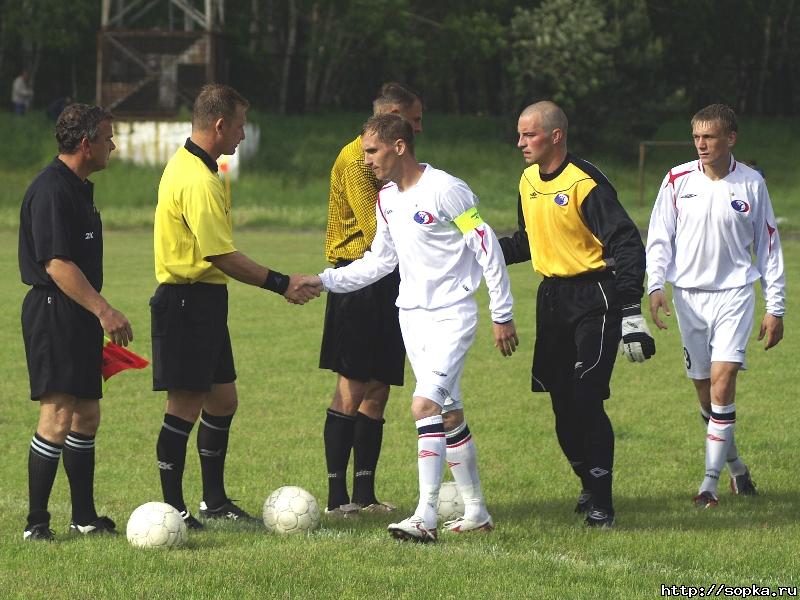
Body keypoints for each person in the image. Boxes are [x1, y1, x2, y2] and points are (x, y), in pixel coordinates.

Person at [306, 113, 518, 542]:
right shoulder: (387, 199)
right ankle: (476, 511)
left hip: (451, 316)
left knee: (423, 408)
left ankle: (425, 516)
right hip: (411, 317)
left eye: (371, 151)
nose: (365, 160)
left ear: (398, 146)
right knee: (449, 413)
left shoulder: (446, 190)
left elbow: (486, 245)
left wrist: (502, 312)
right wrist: (324, 280)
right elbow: (382, 261)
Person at [151, 83, 320, 529]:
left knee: (223, 400)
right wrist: (282, 283)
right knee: (183, 407)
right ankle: (174, 510)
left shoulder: (204, 168)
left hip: (205, 301)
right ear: (220, 124)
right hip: (186, 301)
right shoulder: (196, 178)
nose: (243, 135)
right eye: (241, 126)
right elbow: (220, 255)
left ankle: (214, 500)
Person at [498, 101, 653, 528]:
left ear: (555, 136)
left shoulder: (586, 183)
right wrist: (479, 249)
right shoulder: (528, 179)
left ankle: (603, 503)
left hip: (595, 299)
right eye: (519, 134)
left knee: (586, 397)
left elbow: (626, 244)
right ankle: (588, 481)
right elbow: (528, 241)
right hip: (551, 300)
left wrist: (632, 313)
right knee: (563, 405)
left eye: (528, 135)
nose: (520, 143)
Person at [646, 103, 785, 508]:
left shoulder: (752, 184)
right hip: (688, 297)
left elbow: (770, 250)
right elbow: (659, 238)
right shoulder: (676, 180)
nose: (701, 144)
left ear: (731, 139)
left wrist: (775, 308)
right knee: (707, 395)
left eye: (709, 137)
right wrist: (655, 285)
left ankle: (708, 485)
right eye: (696, 137)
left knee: (724, 384)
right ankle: (738, 469)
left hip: (736, 295)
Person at [18, 103, 133, 541]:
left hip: (77, 313)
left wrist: (95, 312)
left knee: (86, 413)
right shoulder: (52, 190)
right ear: (86, 143)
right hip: (55, 312)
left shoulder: (78, 187)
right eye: (107, 138)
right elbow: (57, 265)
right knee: (59, 412)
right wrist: (104, 310)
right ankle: (36, 524)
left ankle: (83, 517)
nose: (113, 146)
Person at [320, 82, 423, 517]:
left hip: (387, 281)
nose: (420, 129)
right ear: (394, 118)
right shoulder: (356, 158)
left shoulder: (399, 167)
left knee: (378, 388)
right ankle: (335, 498)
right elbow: (376, 227)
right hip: (359, 278)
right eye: (414, 121)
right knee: (352, 385)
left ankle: (364, 496)